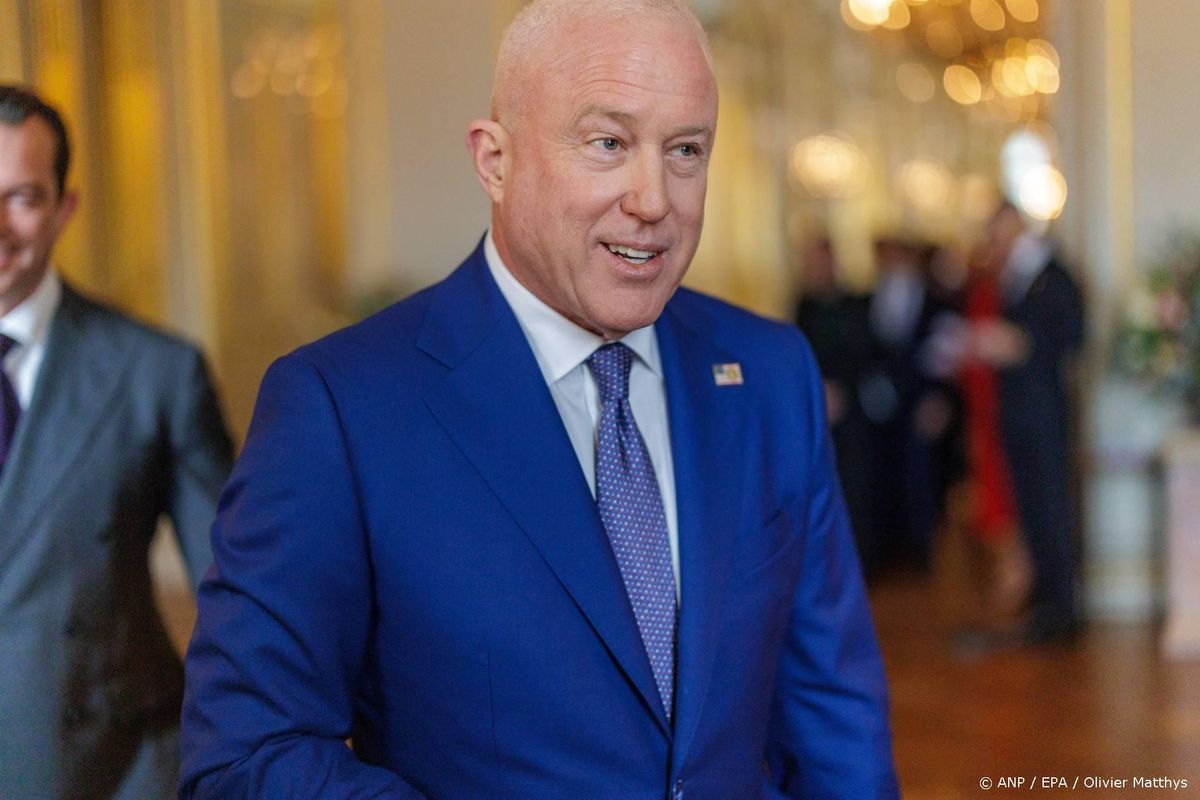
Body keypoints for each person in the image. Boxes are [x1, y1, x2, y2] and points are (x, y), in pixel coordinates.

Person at [180, 2, 899, 797]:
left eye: (686, 150)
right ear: (494, 161)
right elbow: (246, 757)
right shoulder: (342, 410)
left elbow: (834, 713)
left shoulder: (767, 374)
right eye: (608, 143)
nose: (653, 199)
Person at [0, 85, 233, 798]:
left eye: (22, 198)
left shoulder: (157, 373)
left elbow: (236, 600)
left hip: (118, 769)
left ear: (64, 208)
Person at [976, 201, 1084, 643]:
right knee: (1030, 507)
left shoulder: (1055, 277)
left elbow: (1073, 337)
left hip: (1044, 415)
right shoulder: (1013, 278)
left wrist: (1024, 344)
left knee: (1051, 506)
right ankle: (1045, 600)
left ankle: (1062, 606)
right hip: (1018, 412)